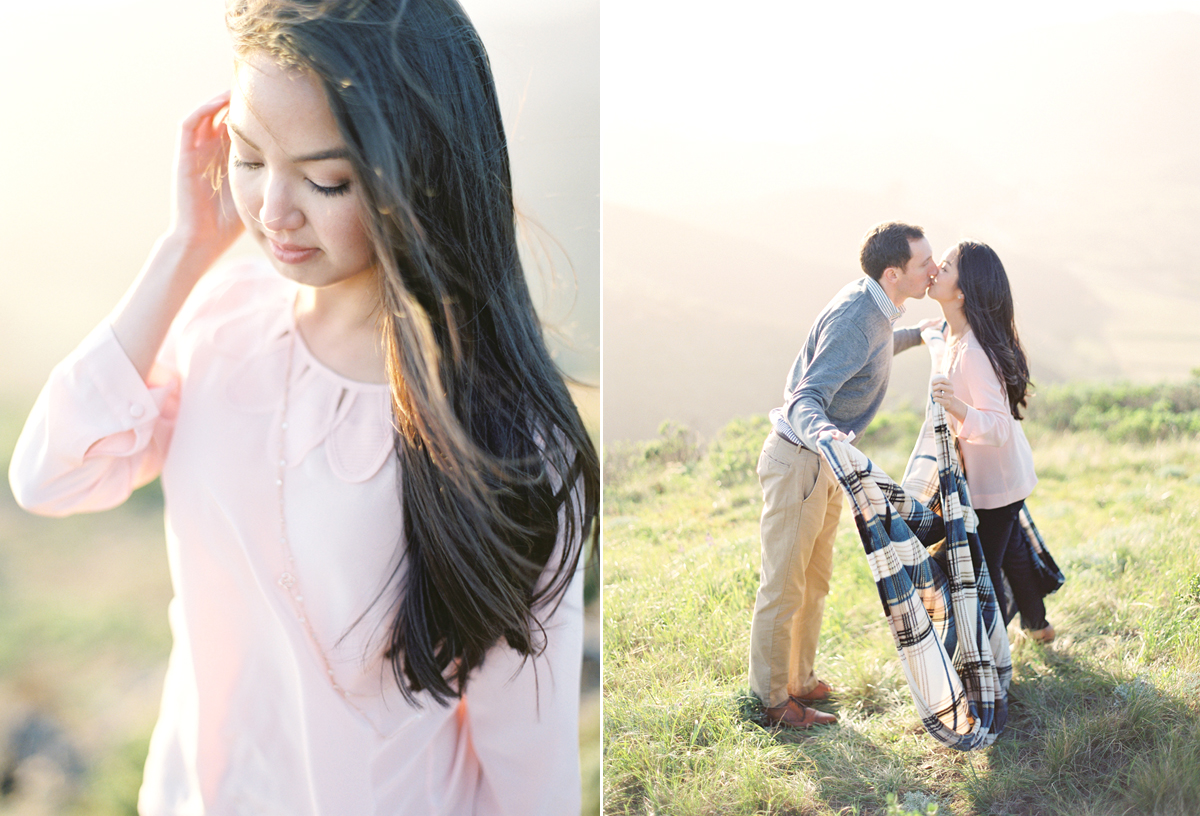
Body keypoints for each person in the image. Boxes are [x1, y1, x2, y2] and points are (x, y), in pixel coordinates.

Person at [7, 0, 599, 812]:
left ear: (418, 175)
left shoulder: (504, 438)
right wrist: (182, 252)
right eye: (249, 158)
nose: (274, 211)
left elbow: (529, 768)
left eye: (326, 180)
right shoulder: (220, 313)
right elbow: (50, 477)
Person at [749, 221, 936, 728]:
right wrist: (827, 435)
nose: (934, 270)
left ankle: (799, 681)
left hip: (826, 465)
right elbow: (806, 397)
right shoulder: (858, 316)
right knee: (785, 586)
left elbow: (870, 351)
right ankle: (770, 704)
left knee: (815, 581)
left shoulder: (875, 307)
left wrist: (916, 336)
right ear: (894, 273)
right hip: (802, 461)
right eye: (925, 263)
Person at [927, 241, 1053, 643]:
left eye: (944, 267)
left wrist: (957, 407)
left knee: (985, 572)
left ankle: (992, 666)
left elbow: (998, 427)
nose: (934, 271)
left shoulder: (974, 352)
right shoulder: (955, 334)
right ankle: (1040, 626)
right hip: (1000, 478)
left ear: (962, 291)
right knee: (1013, 549)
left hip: (997, 485)